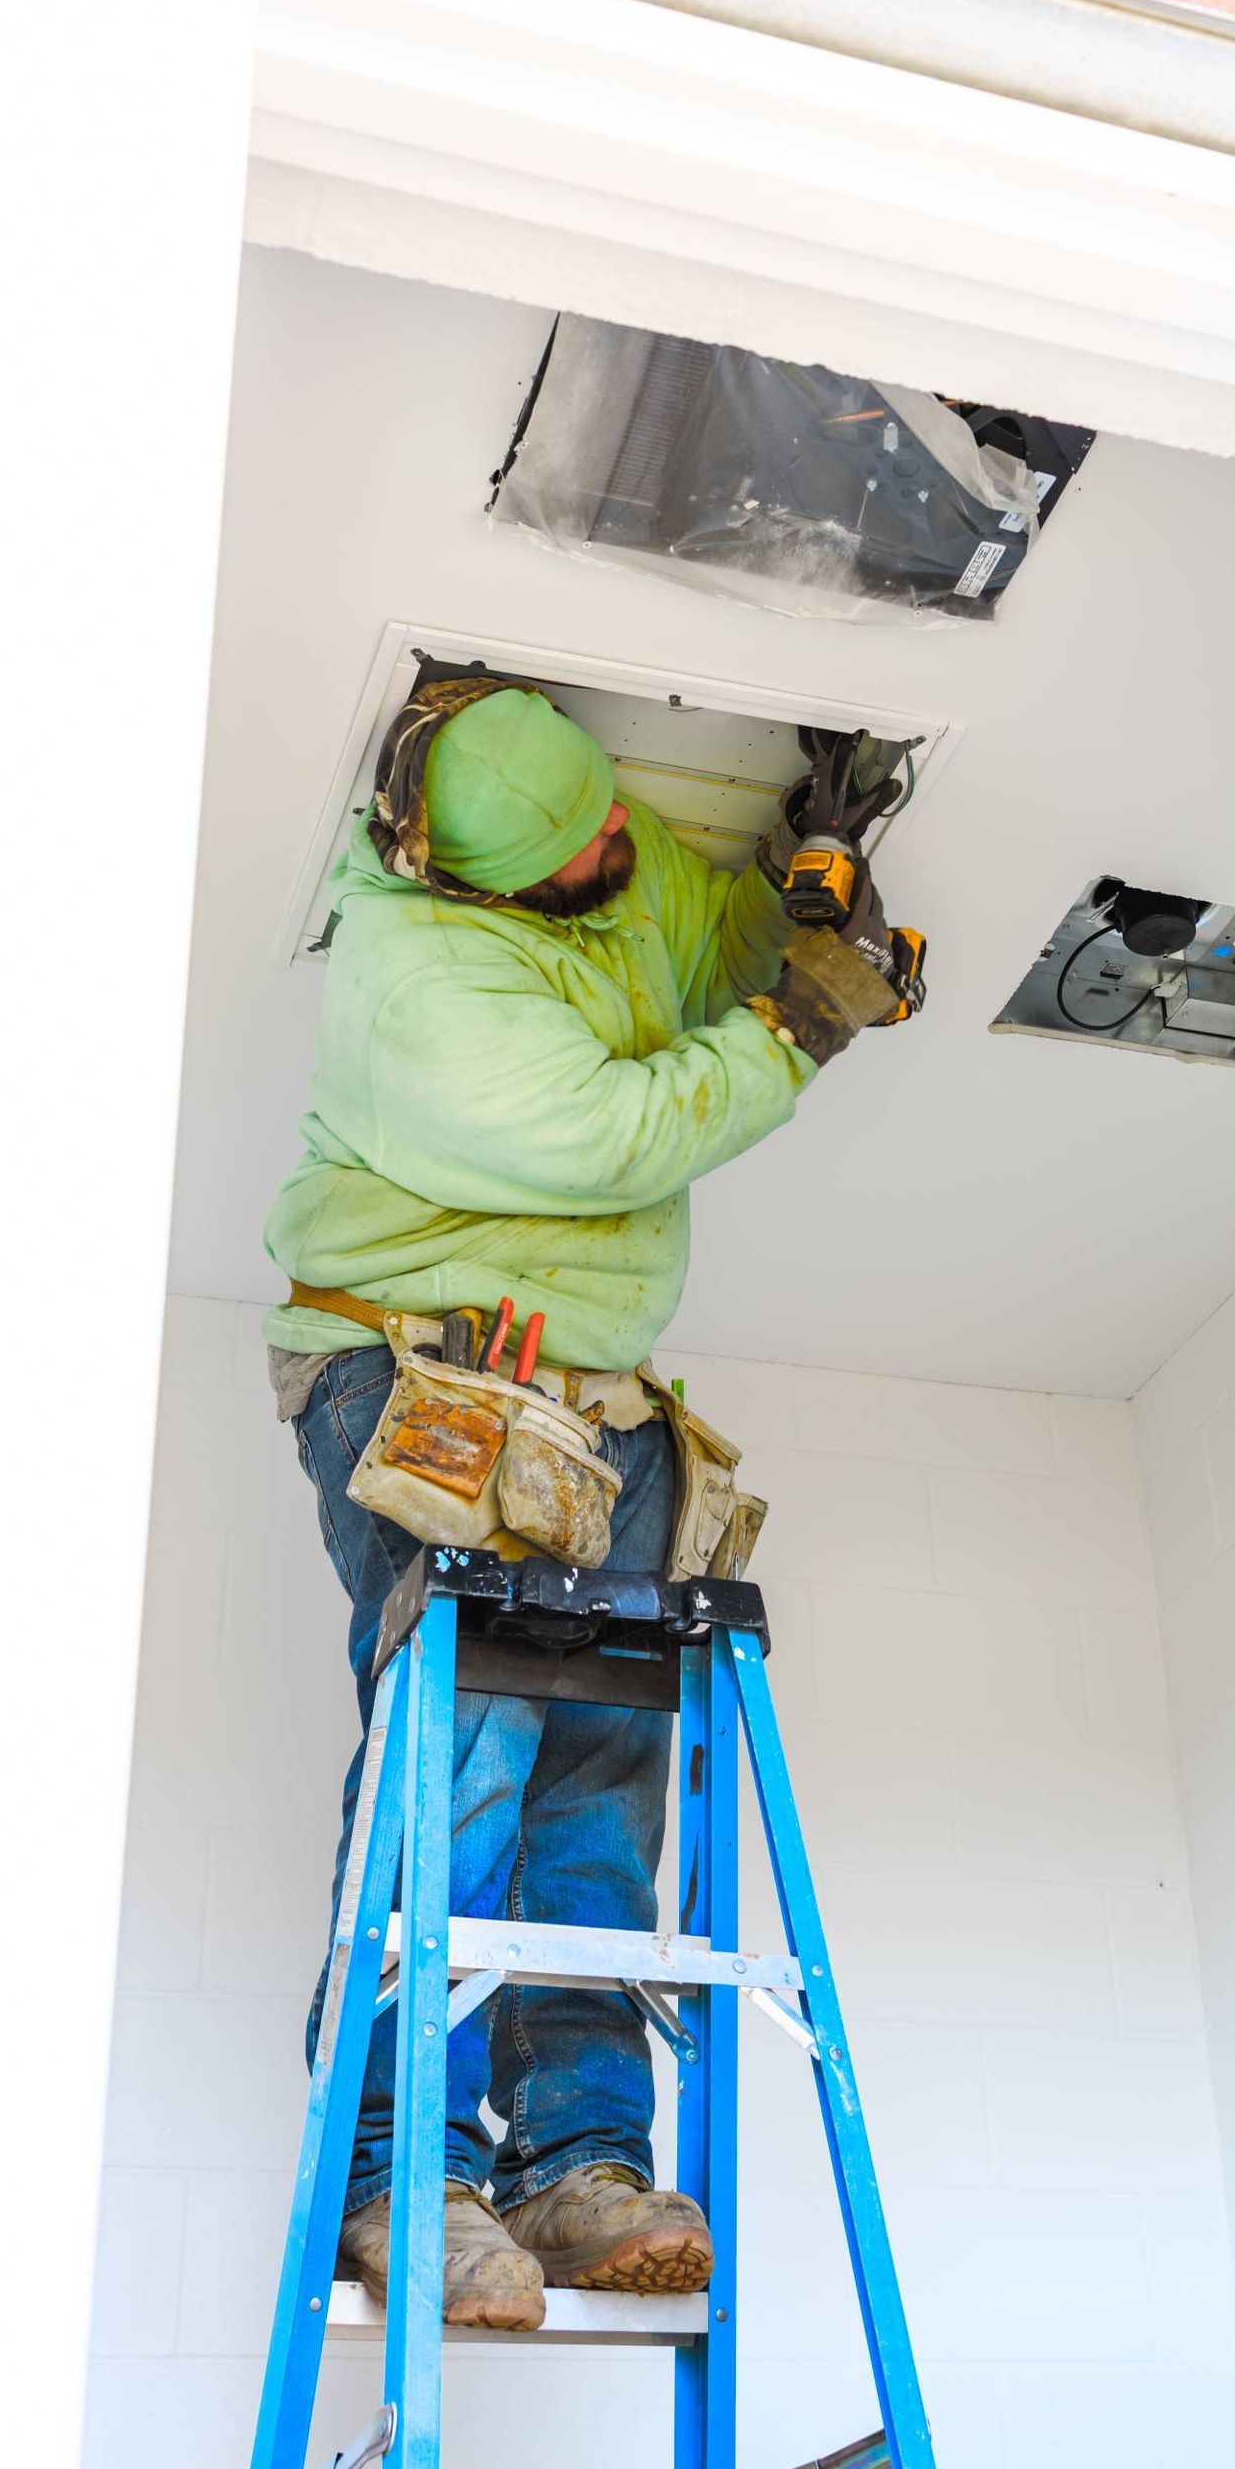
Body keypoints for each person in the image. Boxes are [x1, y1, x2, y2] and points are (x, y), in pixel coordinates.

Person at [263, 675, 913, 2330]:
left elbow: (716, 944)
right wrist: (796, 1027)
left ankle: (578, 2164)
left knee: (605, 1775)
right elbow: (632, 1131)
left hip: (597, 1408)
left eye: (616, 826)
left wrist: (808, 886)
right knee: (462, 1750)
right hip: (423, 1383)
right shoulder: (414, 979)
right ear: (461, 869)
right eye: (578, 856)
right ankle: (396, 2171)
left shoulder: (608, 858)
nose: (618, 859)